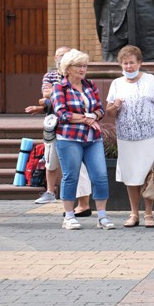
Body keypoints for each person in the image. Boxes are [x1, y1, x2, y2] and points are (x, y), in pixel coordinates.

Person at [51, 49, 114, 230]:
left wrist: (87, 116)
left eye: (85, 66)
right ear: (68, 68)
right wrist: (87, 118)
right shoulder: (59, 87)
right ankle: (69, 217)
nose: (83, 69)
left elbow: (100, 110)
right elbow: (62, 114)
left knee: (100, 176)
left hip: (92, 138)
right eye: (79, 66)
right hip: (69, 138)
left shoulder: (90, 85)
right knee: (71, 176)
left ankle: (102, 216)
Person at [26, 46, 92, 216]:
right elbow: (47, 96)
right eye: (60, 56)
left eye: (66, 56)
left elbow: (51, 99)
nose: (63, 58)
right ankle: (52, 193)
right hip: (55, 124)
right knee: (51, 159)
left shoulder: (80, 79)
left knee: (77, 166)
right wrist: (47, 101)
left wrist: (47, 100)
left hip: (74, 129)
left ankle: (82, 204)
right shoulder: (51, 76)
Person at [105, 45, 154, 228]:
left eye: (132, 63)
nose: (129, 67)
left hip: (148, 136)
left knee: (148, 175)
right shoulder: (117, 84)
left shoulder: (151, 80)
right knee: (131, 176)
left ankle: (149, 214)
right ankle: (134, 214)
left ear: (139, 62)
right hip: (126, 137)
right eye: (125, 63)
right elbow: (108, 112)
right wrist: (114, 105)